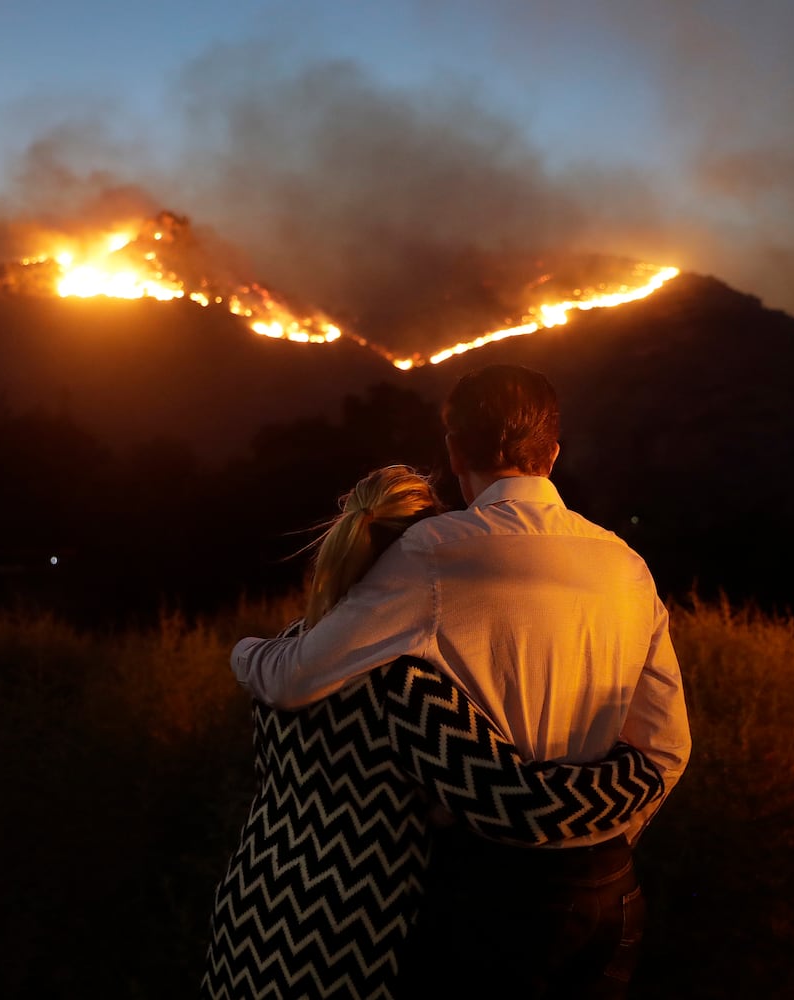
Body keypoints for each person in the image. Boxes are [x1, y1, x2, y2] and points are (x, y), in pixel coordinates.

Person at [233, 365, 691, 997]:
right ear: (552, 453)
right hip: (613, 892)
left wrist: (244, 652)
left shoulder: (435, 552)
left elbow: (297, 679)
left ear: (453, 451)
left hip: (494, 892)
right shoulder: (627, 565)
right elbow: (667, 747)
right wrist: (597, 836)